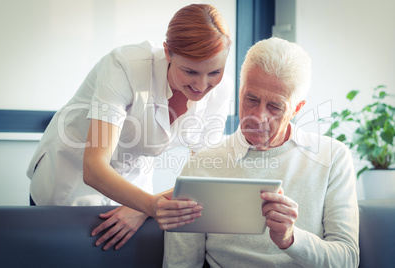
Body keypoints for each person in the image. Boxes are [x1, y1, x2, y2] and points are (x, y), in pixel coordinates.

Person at [26, 4, 233, 251]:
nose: (202, 85)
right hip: (69, 178)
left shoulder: (221, 89)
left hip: (137, 185)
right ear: (168, 52)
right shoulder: (124, 65)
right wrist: (148, 205)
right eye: (190, 71)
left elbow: (205, 174)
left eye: (215, 72)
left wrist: (142, 207)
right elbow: (94, 166)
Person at [163, 37, 359, 267]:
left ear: (297, 108)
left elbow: (347, 260)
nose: (258, 116)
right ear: (239, 92)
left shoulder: (332, 157)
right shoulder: (202, 164)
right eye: (251, 99)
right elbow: (180, 263)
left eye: (275, 106)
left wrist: (290, 239)